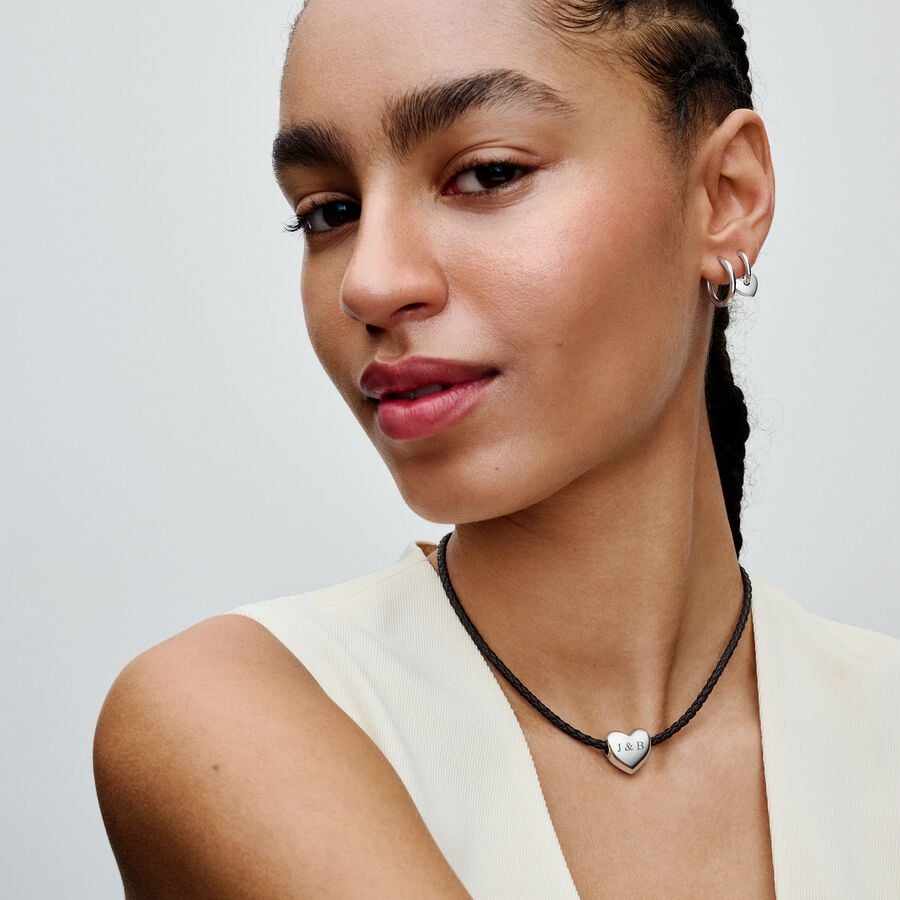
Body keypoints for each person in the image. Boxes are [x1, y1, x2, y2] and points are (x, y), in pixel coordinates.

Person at [93, 1, 899, 897]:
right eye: (329, 212)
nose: (370, 281)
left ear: (725, 198)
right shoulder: (230, 713)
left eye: (486, 174)